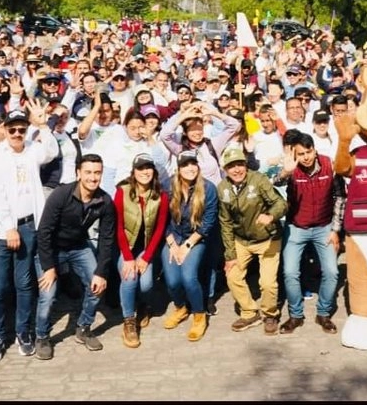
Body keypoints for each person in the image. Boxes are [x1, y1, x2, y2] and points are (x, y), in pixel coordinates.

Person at [0, 106, 60, 363]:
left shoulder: (31, 149)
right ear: (4, 129)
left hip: (29, 225)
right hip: (6, 229)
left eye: (22, 129)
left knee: (25, 284)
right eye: (12, 129)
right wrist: (8, 227)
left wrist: (44, 125)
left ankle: (22, 332)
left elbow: (52, 151)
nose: (17, 133)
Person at [36, 153, 117, 356]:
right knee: (48, 294)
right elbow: (44, 231)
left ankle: (83, 327)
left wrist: (101, 271)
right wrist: (48, 267)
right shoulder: (61, 195)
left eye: (97, 173)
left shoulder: (105, 201)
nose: (92, 177)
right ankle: (42, 336)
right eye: (88, 172)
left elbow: (107, 239)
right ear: (78, 173)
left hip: (79, 247)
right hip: (52, 248)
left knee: (97, 286)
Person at [275, 130, 343, 335]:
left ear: (314, 149)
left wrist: (335, 229)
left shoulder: (329, 165)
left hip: (324, 228)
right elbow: (273, 185)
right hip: (296, 227)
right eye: (301, 154)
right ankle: (295, 315)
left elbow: (340, 197)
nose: (305, 157)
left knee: (332, 272)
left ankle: (323, 313)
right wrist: (286, 172)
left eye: (308, 152)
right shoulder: (291, 168)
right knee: (289, 273)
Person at [217, 145, 287, 334]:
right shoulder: (223, 188)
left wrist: (271, 215)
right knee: (232, 275)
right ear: (225, 170)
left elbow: (280, 203)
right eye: (231, 166)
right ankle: (249, 313)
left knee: (267, 283)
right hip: (242, 240)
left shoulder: (259, 180)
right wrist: (230, 255)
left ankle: (270, 314)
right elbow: (225, 223)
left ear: (246, 165)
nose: (237, 169)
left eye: (240, 164)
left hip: (268, 238)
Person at [112, 154, 169, 348]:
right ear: (134, 172)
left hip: (146, 249)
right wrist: (128, 258)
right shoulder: (122, 191)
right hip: (126, 247)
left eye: (148, 168)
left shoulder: (161, 195)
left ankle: (143, 305)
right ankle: (129, 321)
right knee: (129, 277)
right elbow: (118, 225)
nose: (145, 172)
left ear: (153, 171)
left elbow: (160, 228)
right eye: (140, 168)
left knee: (145, 285)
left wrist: (146, 257)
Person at [163, 150, 219, 342]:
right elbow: (160, 219)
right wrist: (172, 244)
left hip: (196, 238)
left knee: (188, 277)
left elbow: (209, 222)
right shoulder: (168, 186)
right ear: (178, 169)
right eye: (185, 165)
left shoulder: (208, 188)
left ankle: (199, 314)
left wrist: (187, 245)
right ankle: (180, 308)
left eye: (193, 164)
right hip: (172, 237)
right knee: (172, 281)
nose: (190, 168)